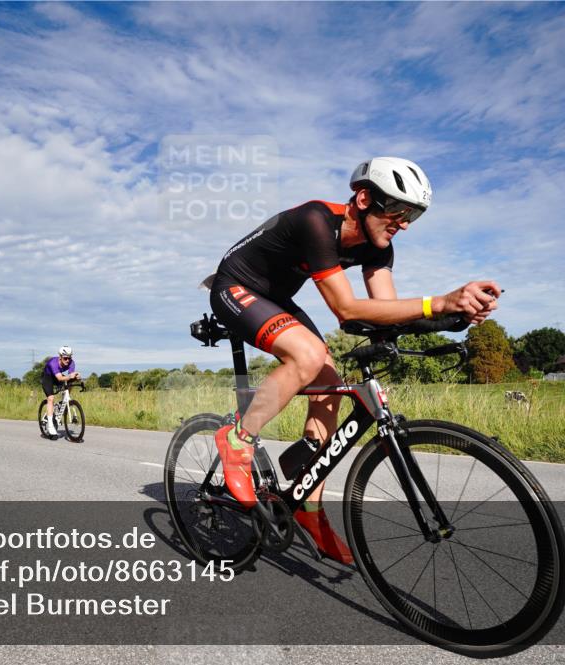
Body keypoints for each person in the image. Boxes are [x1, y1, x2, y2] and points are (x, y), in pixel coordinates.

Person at [209, 156, 501, 564]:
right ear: (364, 198)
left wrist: (454, 318)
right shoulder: (316, 220)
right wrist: (440, 301)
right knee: (309, 355)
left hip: (275, 298)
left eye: (413, 214)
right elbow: (347, 311)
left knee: (327, 374)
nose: (404, 222)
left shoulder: (379, 248)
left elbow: (386, 313)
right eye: (398, 210)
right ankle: (237, 439)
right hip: (235, 285)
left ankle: (309, 506)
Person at [41, 346, 80, 437]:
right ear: (60, 357)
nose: (67, 360)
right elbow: (59, 378)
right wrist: (70, 377)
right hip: (48, 377)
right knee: (51, 398)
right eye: (65, 358)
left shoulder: (71, 363)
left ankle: (64, 401)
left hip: (58, 376)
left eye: (69, 358)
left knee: (71, 381)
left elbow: (70, 376)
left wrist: (77, 377)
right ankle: (50, 425)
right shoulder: (53, 363)